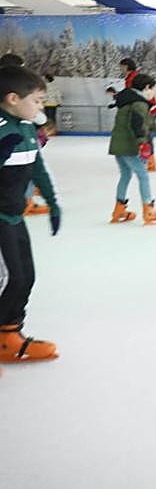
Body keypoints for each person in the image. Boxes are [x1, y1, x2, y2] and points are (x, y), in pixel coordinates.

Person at [0, 67, 61, 364]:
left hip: (14, 215)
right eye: (37, 100)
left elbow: (38, 168)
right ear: (13, 98)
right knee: (8, 278)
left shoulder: (25, 129)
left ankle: (10, 335)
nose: (40, 107)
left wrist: (53, 203)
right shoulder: (2, 130)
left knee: (25, 276)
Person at [107, 74, 156, 226]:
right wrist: (142, 143)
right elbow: (137, 125)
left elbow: (145, 123)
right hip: (130, 146)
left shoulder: (128, 101)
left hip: (118, 145)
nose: (153, 92)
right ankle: (148, 210)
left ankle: (118, 209)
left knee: (125, 175)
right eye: (152, 88)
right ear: (146, 88)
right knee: (143, 175)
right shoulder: (139, 104)